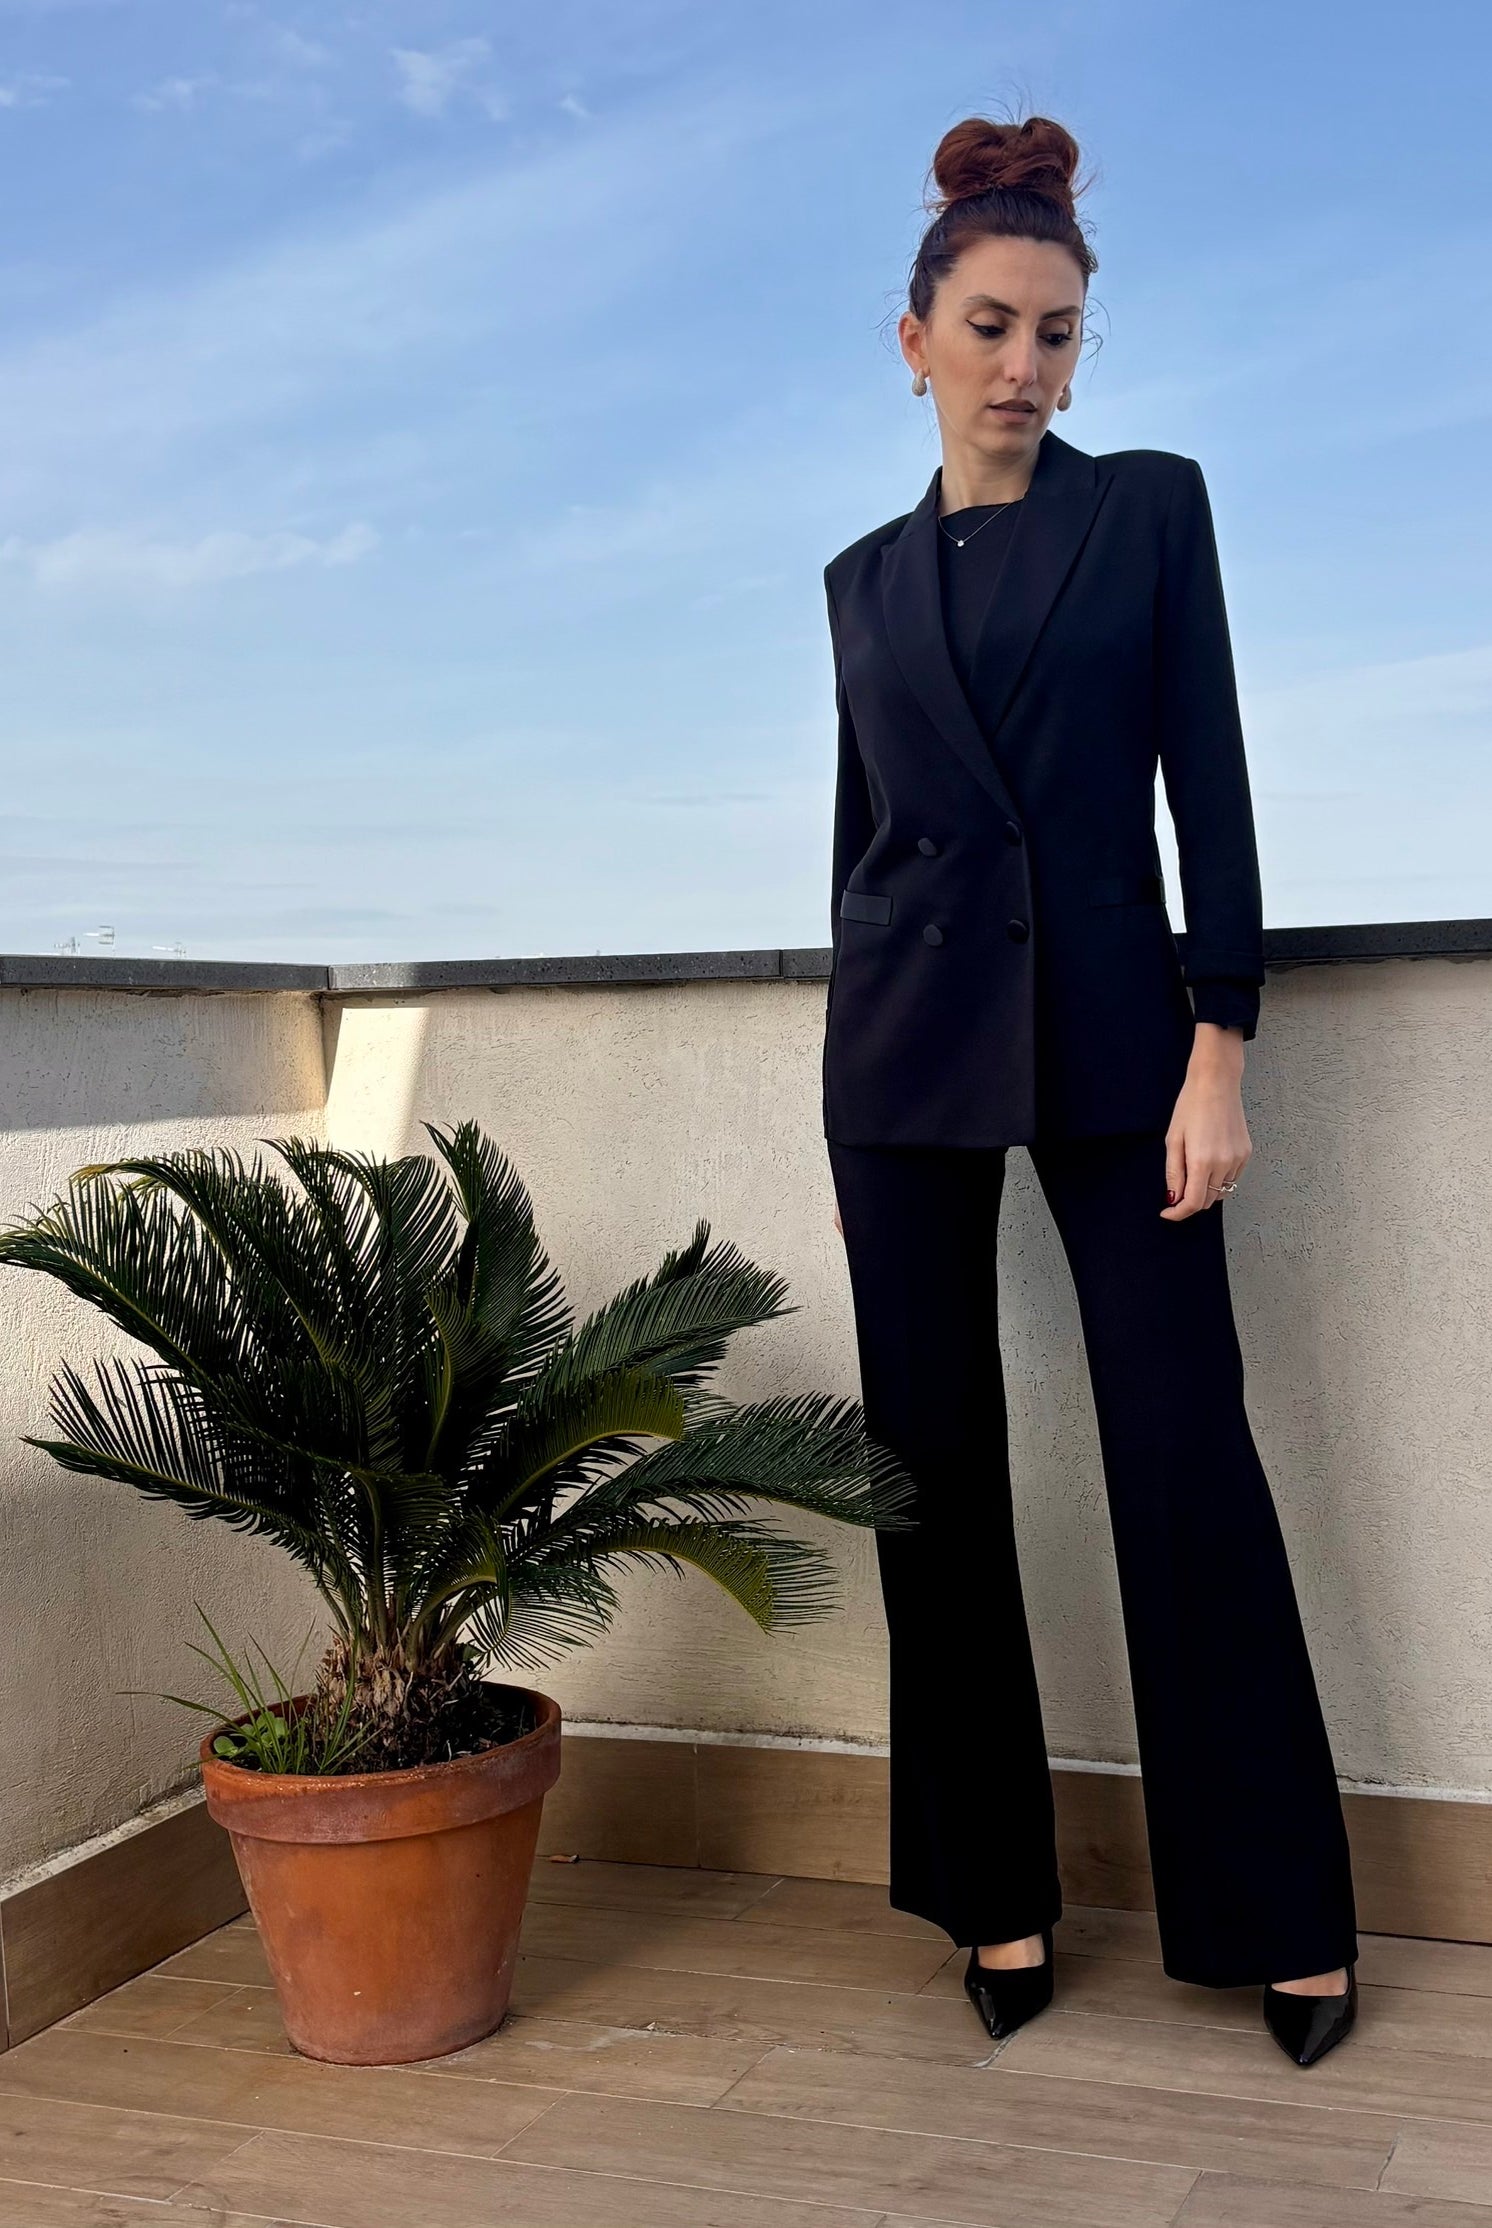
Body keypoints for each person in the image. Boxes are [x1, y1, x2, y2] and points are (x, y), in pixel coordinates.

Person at [821, 112, 1359, 2069]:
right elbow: (865, 842)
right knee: (931, 1471)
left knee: (1181, 1453)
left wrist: (1220, 1041)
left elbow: (1208, 781)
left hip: (1125, 1045)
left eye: (1056, 332)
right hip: (900, 1056)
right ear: (913, 341)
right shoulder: (859, 580)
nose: (1024, 365)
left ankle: (1279, 1913)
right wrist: (848, 1046)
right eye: (988, 326)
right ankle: (994, 1892)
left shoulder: (1146, 511)